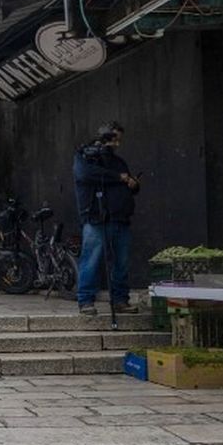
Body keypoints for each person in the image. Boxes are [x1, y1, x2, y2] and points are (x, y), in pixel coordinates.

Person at [74, 122, 140, 316]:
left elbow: (130, 183)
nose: (117, 144)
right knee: (91, 259)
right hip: (96, 217)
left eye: (119, 140)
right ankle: (85, 300)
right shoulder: (86, 157)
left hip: (121, 218)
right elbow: (85, 175)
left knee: (122, 262)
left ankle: (120, 300)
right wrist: (119, 178)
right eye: (113, 139)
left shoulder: (118, 162)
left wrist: (133, 184)